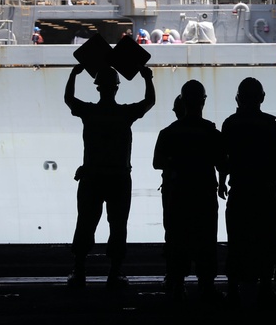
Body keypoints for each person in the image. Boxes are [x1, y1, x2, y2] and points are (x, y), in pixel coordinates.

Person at [64, 63, 155, 288]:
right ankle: (115, 273)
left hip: (92, 177)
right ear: (116, 88)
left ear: (98, 88)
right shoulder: (124, 114)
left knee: (85, 223)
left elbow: (69, 99)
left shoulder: (89, 112)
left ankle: (79, 271)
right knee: (118, 225)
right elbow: (149, 101)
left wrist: (73, 74)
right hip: (118, 178)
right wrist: (147, 78)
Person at [219, 78, 276, 309]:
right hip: (265, 192)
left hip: (240, 191)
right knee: (267, 241)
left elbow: (223, 160)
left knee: (236, 241)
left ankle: (233, 291)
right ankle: (266, 289)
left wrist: (221, 183)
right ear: (262, 98)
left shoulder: (230, 124)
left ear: (238, 98)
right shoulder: (271, 124)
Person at [153, 80, 226, 305]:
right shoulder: (211, 132)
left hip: (177, 194)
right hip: (204, 195)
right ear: (203, 101)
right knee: (206, 240)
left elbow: (157, 162)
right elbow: (223, 163)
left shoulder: (169, 132)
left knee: (177, 238)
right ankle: (206, 287)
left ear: (182, 102)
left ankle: (177, 286)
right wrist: (222, 183)